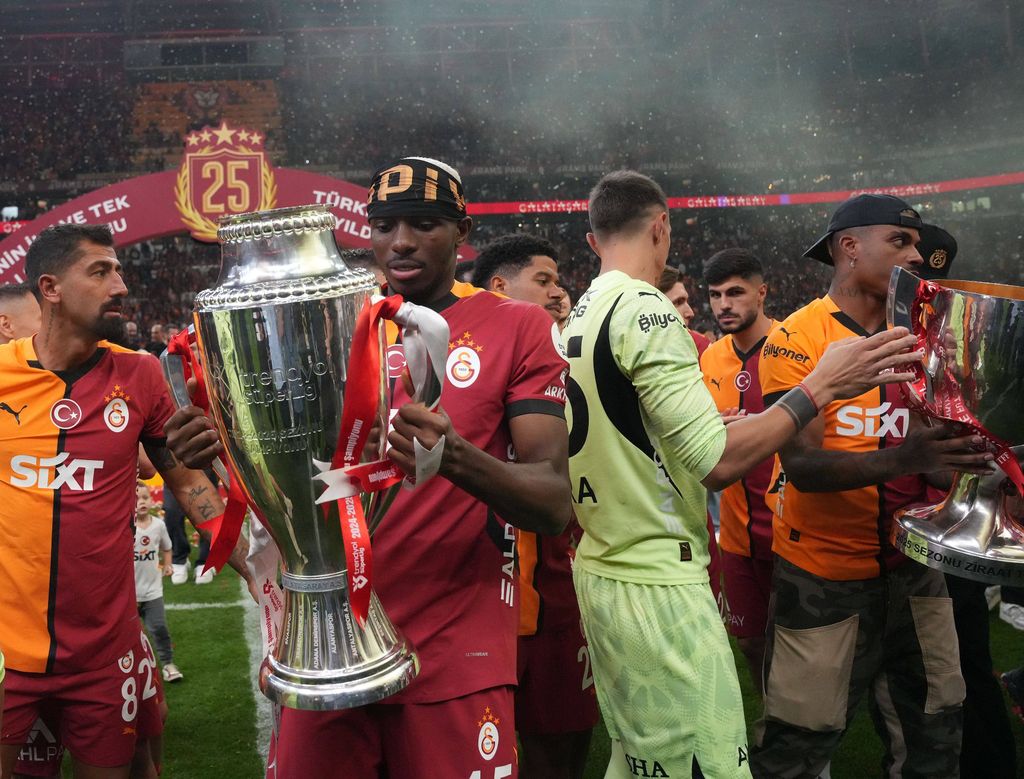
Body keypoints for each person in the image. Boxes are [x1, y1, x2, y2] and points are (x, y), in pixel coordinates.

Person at [166, 156, 572, 778]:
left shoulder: (516, 327)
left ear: (462, 232)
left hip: (455, 646)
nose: (401, 242)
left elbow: (551, 501)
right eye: (384, 226)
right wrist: (225, 444)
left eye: (424, 224)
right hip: (324, 645)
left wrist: (454, 457)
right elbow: (295, 469)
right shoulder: (327, 321)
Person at [562, 171, 924, 778]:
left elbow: (644, 437)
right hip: (657, 582)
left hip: (605, 569)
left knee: (641, 763)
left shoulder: (585, 306)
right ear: (662, 227)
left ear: (594, 238)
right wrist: (820, 386)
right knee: (707, 765)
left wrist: (715, 425)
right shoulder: (648, 308)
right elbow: (718, 463)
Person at [753, 195, 993, 777]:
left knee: (937, 736)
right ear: (849, 247)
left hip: (917, 573)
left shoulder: (930, 337)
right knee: (796, 747)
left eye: (916, 244)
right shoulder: (794, 340)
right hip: (821, 579)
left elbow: (936, 458)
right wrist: (905, 457)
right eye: (901, 242)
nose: (916, 254)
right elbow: (803, 469)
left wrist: (976, 468)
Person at [0, 223, 252, 778]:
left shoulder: (139, 374)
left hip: (102, 655)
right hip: (6, 657)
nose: (120, 285)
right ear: (51, 287)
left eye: (118, 270)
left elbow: (188, 484)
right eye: (100, 272)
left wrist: (260, 573)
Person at [471, 233, 598, 779]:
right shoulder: (459, 357)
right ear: (500, 286)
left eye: (557, 280)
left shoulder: (565, 350)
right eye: (542, 280)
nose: (557, 291)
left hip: (558, 576)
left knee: (565, 740)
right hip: (483, 586)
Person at [698, 248, 778, 695]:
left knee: (800, 645)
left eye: (735, 293)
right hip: (736, 533)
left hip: (793, 531)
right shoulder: (710, 359)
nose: (724, 304)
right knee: (750, 641)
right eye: (715, 295)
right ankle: (773, 716)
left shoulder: (796, 344)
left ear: (761, 292)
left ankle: (808, 751)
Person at [133, 482, 182, 682]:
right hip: (128, 593)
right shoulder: (124, 525)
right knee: (127, 637)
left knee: (159, 628)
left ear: (152, 500)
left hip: (153, 591)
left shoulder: (158, 526)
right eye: (136, 499)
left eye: (145, 497)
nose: (141, 502)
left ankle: (168, 664)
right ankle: (130, 671)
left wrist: (168, 565)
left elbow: (167, 547)